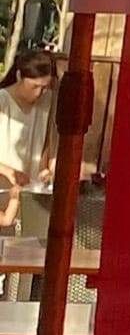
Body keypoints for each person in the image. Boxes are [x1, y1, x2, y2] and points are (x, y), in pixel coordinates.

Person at [0, 51, 61, 241]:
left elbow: (46, 140)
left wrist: (47, 168)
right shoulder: (2, 100)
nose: (39, 93)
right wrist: (8, 171)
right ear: (19, 76)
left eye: (44, 87)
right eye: (34, 86)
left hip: (32, 192)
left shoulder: (47, 100)